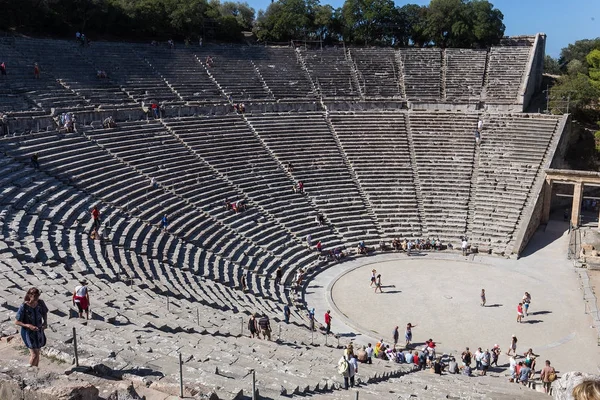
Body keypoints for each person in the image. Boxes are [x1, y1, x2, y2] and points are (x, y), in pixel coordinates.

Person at [15, 288, 48, 367]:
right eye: (35, 296)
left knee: (37, 353)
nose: (37, 298)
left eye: (38, 296)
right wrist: (28, 325)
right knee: (34, 355)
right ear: (30, 295)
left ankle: (35, 371)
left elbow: (44, 313)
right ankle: (30, 372)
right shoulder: (24, 306)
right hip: (28, 333)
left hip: (39, 331)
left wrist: (45, 322)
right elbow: (17, 321)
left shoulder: (40, 303)